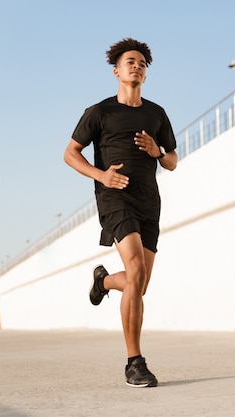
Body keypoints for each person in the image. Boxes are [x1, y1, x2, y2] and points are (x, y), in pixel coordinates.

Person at [63, 38, 177, 388]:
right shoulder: (100, 112)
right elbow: (70, 153)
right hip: (115, 199)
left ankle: (104, 281)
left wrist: (158, 151)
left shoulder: (156, 114)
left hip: (149, 202)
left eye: (142, 62)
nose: (137, 66)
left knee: (137, 286)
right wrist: (102, 175)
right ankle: (135, 362)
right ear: (117, 70)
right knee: (137, 269)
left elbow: (172, 161)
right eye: (130, 61)